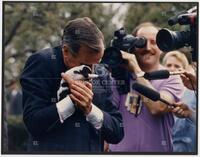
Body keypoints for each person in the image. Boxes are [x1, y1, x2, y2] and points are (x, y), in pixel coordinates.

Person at [20, 17, 124, 152]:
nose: (92, 71)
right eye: (85, 64)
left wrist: (90, 110)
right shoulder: (42, 63)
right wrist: (72, 101)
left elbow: (117, 132)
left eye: (97, 63)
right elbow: (33, 122)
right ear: (66, 51)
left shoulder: (101, 73)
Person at [109, 22, 184, 152]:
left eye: (154, 42)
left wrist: (136, 69)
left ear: (161, 47)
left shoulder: (172, 77)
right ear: (132, 45)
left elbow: (157, 107)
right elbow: (107, 114)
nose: (147, 47)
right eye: (141, 42)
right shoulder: (118, 78)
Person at [162, 50, 196, 152]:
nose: (172, 69)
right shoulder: (157, 90)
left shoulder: (192, 92)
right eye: (169, 65)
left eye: (177, 66)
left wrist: (190, 114)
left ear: (185, 70)